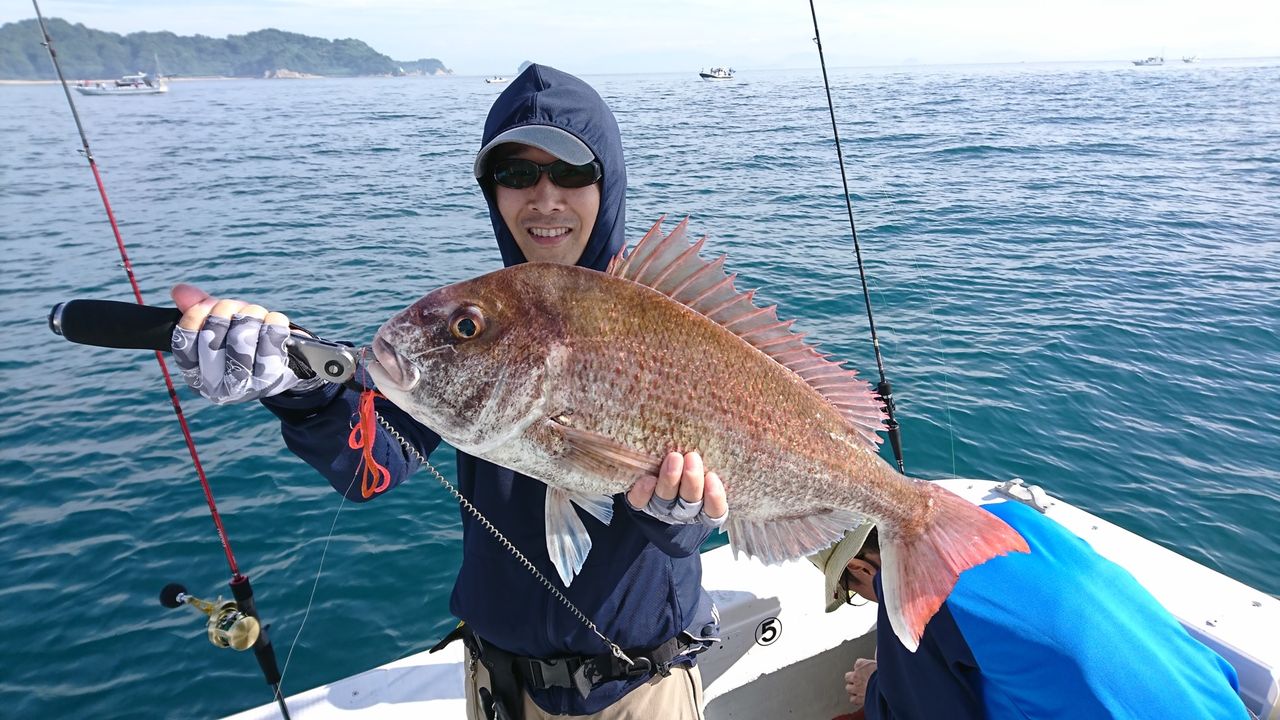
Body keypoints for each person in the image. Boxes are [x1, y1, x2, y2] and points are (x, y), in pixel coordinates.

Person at [170, 64, 725, 719]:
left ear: (609, 181)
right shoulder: (482, 326)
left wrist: (682, 519)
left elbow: (702, 512)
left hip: (636, 694)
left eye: (571, 173)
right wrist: (300, 386)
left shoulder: (675, 321)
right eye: (517, 175)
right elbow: (370, 464)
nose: (544, 197)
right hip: (493, 688)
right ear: (492, 191)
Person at [810, 497, 1252, 719]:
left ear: (860, 566)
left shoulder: (906, 589)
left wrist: (876, 687)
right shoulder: (1017, 518)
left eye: (851, 591)